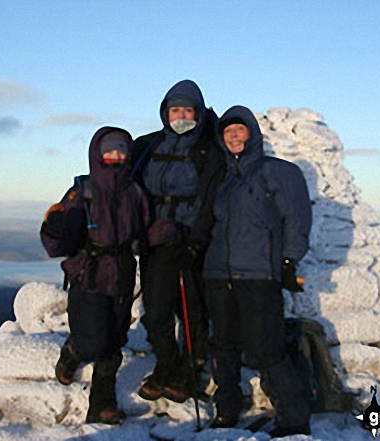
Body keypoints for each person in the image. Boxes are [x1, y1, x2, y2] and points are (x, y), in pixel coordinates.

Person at [198, 105, 313, 437]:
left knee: (266, 348)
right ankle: (226, 411)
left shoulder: (276, 171)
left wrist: (290, 260)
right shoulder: (221, 179)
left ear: (252, 134)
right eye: (228, 132)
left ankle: (294, 418)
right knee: (223, 345)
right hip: (219, 274)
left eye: (240, 130)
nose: (233, 136)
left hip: (259, 275)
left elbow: (297, 217)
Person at [40, 127, 149, 425]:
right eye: (109, 151)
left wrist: (163, 234)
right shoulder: (82, 192)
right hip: (90, 273)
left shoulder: (134, 192)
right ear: (97, 155)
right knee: (93, 343)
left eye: (121, 151)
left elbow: (142, 233)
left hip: (123, 273)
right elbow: (58, 245)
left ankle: (102, 405)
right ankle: (73, 352)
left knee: (114, 342)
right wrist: (54, 228)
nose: (115, 156)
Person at [131, 79, 224, 403]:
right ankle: (166, 365)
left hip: (190, 243)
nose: (181, 115)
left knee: (193, 314)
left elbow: (212, 198)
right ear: (164, 113)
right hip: (156, 242)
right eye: (175, 110)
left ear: (198, 113)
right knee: (156, 313)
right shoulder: (149, 146)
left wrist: (196, 242)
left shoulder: (208, 150)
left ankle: (190, 370)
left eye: (188, 110)